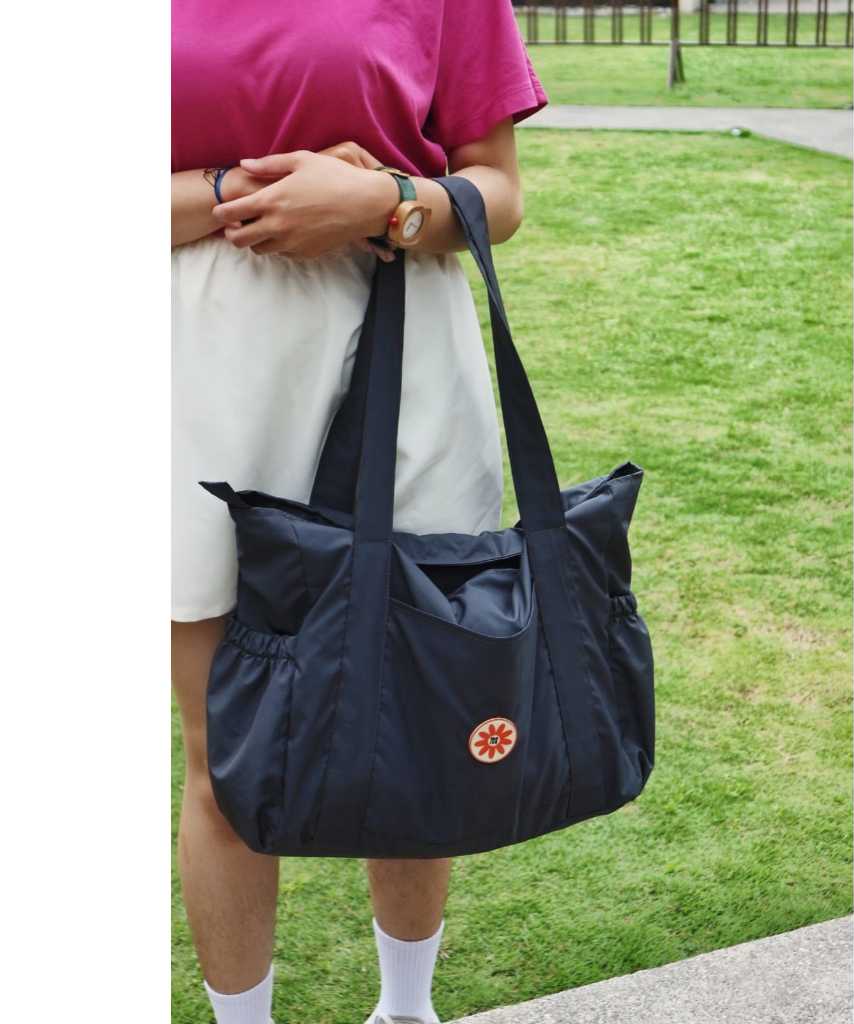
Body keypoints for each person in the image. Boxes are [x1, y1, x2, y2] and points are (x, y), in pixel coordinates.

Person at [170, 3, 547, 1023]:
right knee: (222, 746)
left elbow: (499, 190)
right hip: (199, 366)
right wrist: (234, 190)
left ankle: (407, 1009)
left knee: (421, 706)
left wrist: (387, 201)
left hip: (403, 343)